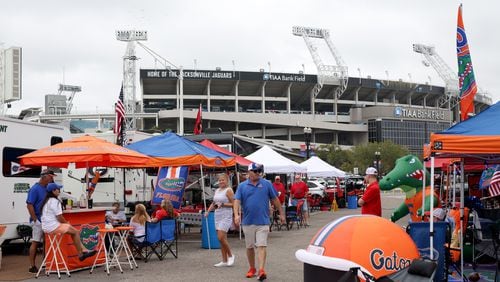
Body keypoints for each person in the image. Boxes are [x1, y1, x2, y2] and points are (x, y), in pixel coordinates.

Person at [234, 163, 285, 280]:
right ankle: (252, 268)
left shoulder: (266, 184)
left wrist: (282, 214)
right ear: (249, 172)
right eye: (255, 171)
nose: (258, 173)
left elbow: (275, 199)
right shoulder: (242, 186)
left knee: (261, 245)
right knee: (250, 247)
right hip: (248, 221)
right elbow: (236, 201)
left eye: (259, 171)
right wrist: (236, 215)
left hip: (263, 221)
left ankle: (261, 270)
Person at [40, 183, 97, 262]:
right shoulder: (55, 201)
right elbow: (59, 217)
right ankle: (81, 253)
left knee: (74, 231)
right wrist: (66, 223)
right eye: (58, 189)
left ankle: (83, 251)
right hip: (53, 226)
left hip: (47, 227)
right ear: (53, 191)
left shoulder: (46, 201)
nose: (59, 191)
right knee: (75, 232)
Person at [25, 169, 55, 273]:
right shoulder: (35, 189)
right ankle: (32, 266)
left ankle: (46, 263)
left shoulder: (47, 188)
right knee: (35, 242)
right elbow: (29, 205)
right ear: (44, 177)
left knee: (46, 242)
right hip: (38, 219)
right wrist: (35, 220)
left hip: (46, 219)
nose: (52, 179)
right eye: (51, 177)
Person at [205, 173, 235, 267]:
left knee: (220, 237)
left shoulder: (229, 190)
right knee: (222, 240)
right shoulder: (217, 190)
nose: (221, 181)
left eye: (223, 180)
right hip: (218, 215)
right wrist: (208, 211)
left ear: (227, 180)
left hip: (226, 216)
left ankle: (231, 255)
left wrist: (223, 205)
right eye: (220, 180)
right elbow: (214, 203)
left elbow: (234, 204)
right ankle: (224, 260)